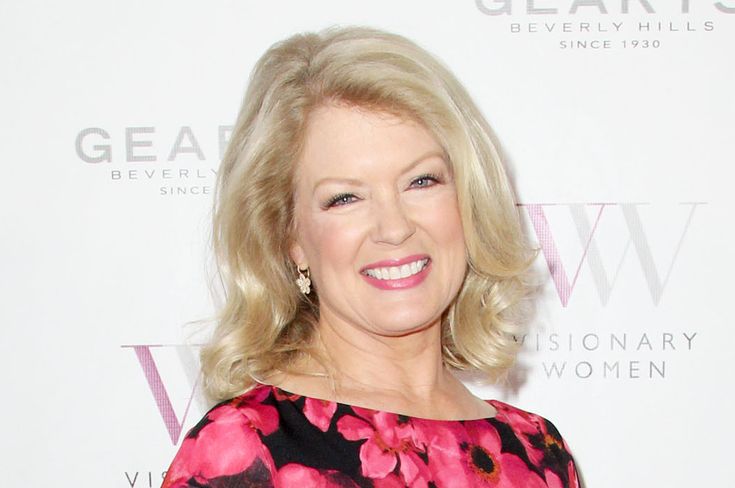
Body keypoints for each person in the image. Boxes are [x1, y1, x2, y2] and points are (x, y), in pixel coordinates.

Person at [162, 26, 580, 488]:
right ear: (289, 236)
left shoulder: (538, 451)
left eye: (422, 182)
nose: (395, 227)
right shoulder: (245, 446)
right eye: (344, 198)